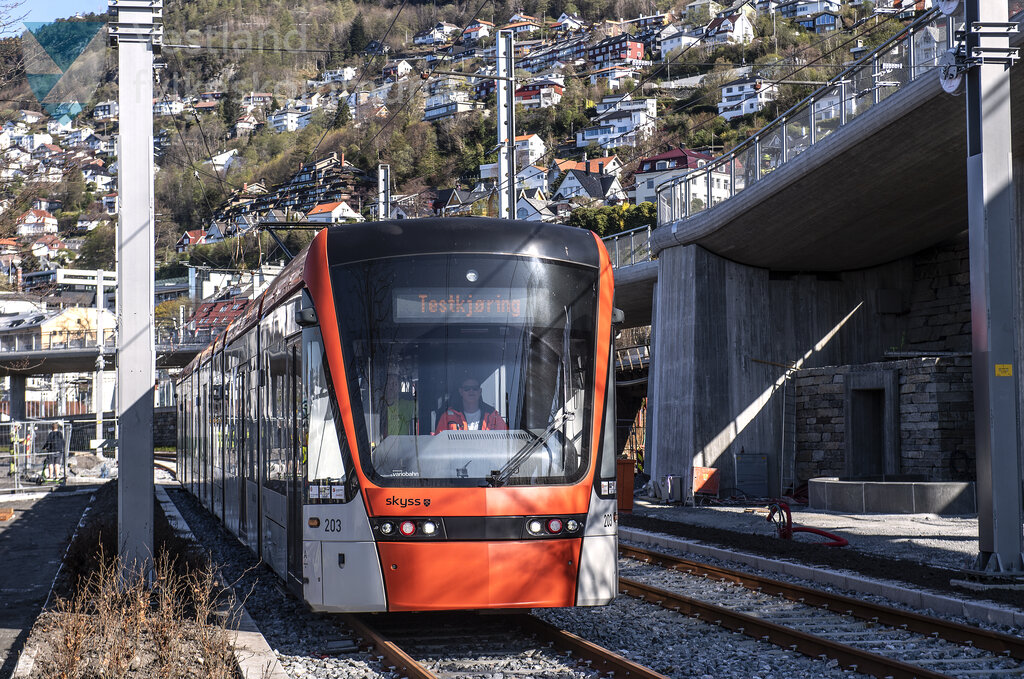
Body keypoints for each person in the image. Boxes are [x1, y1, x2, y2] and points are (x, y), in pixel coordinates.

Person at [435, 375, 507, 433]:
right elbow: (439, 442)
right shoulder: (447, 417)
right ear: (461, 392)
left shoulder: (493, 416)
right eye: (467, 388)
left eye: (475, 388)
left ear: (480, 391)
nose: (471, 391)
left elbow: (504, 440)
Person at [382, 370, 417, 437]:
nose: (392, 387)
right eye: (389, 384)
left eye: (395, 384)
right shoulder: (378, 407)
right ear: (385, 386)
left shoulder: (406, 405)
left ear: (398, 388)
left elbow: (423, 408)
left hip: (403, 443)